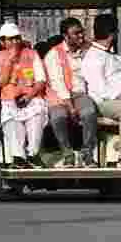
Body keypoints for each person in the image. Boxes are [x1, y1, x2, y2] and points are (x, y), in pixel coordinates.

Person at [81, 14, 121, 166]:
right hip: (105, 103)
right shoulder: (94, 57)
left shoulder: (113, 56)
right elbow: (102, 91)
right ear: (112, 34)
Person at [0, 24, 48, 167]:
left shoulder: (31, 54)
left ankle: (33, 153)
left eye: (17, 38)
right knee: (12, 122)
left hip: (30, 98)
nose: (15, 42)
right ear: (3, 42)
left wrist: (29, 96)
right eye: (11, 39)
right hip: (7, 101)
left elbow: (41, 80)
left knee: (37, 117)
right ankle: (18, 157)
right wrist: (10, 61)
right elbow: (0, 82)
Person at [42, 17, 97, 167]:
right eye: (76, 33)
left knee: (89, 112)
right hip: (59, 97)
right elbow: (58, 83)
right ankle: (67, 153)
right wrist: (70, 107)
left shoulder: (88, 50)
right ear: (66, 36)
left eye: (82, 32)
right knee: (58, 117)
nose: (81, 36)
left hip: (80, 93)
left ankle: (87, 153)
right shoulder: (53, 55)